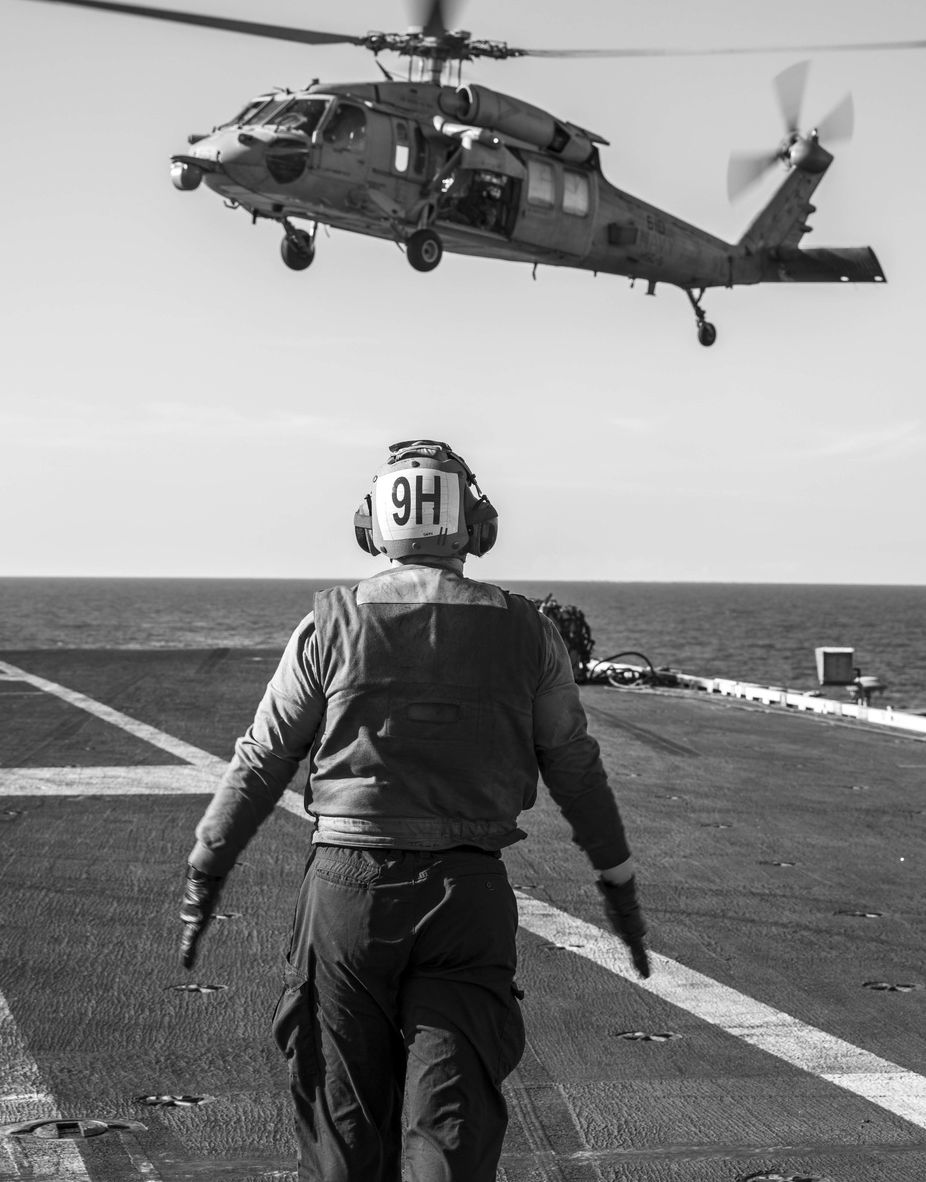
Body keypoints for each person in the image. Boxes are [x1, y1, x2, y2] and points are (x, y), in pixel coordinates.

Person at [179, 438, 649, 1182]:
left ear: (375, 525)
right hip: (468, 896)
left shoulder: (329, 625)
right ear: (476, 525)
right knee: (450, 1136)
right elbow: (574, 763)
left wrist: (208, 866)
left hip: (346, 894)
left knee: (343, 1126)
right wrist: (615, 870)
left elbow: (263, 757)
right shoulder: (531, 631)